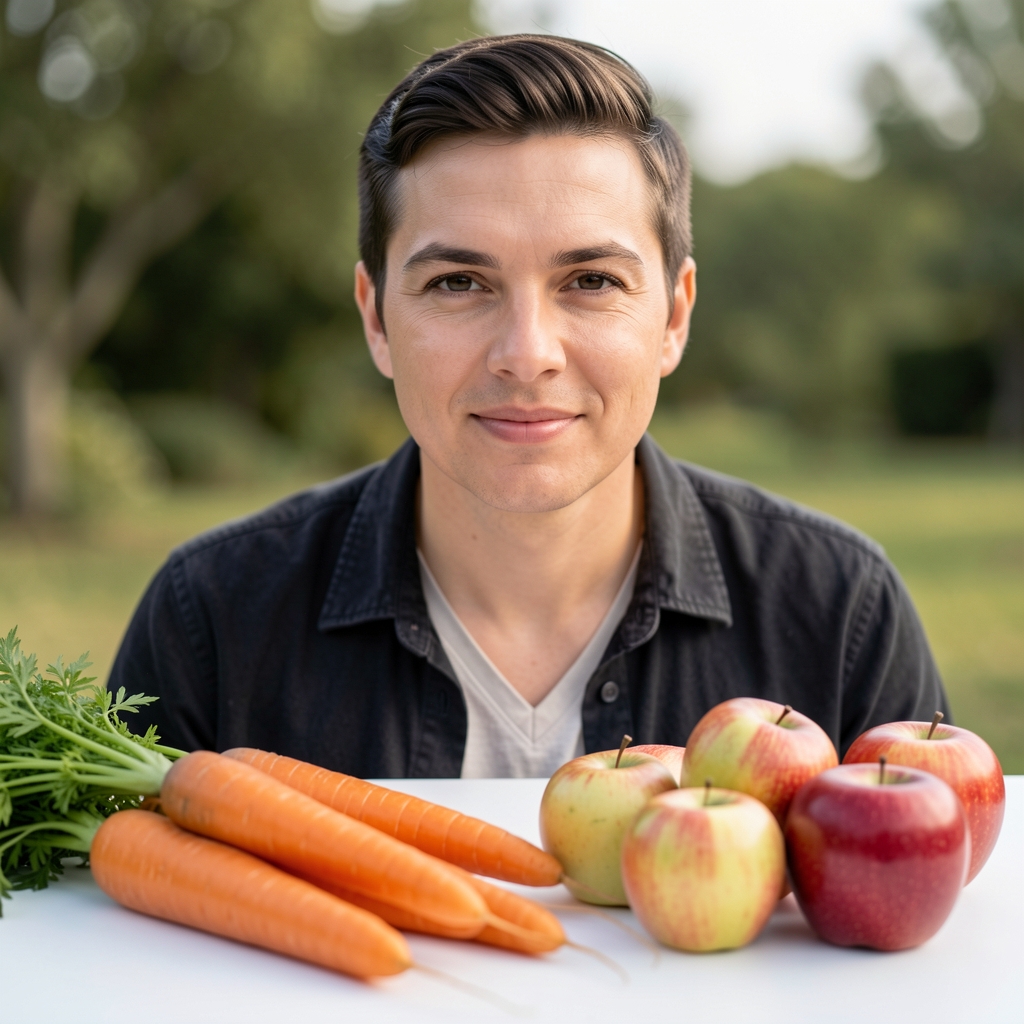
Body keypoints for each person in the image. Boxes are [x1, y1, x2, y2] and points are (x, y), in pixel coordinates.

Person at [109, 35, 949, 778]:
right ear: (375, 318)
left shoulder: (840, 614)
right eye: (459, 283)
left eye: (590, 281)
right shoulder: (211, 624)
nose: (526, 353)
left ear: (674, 316)